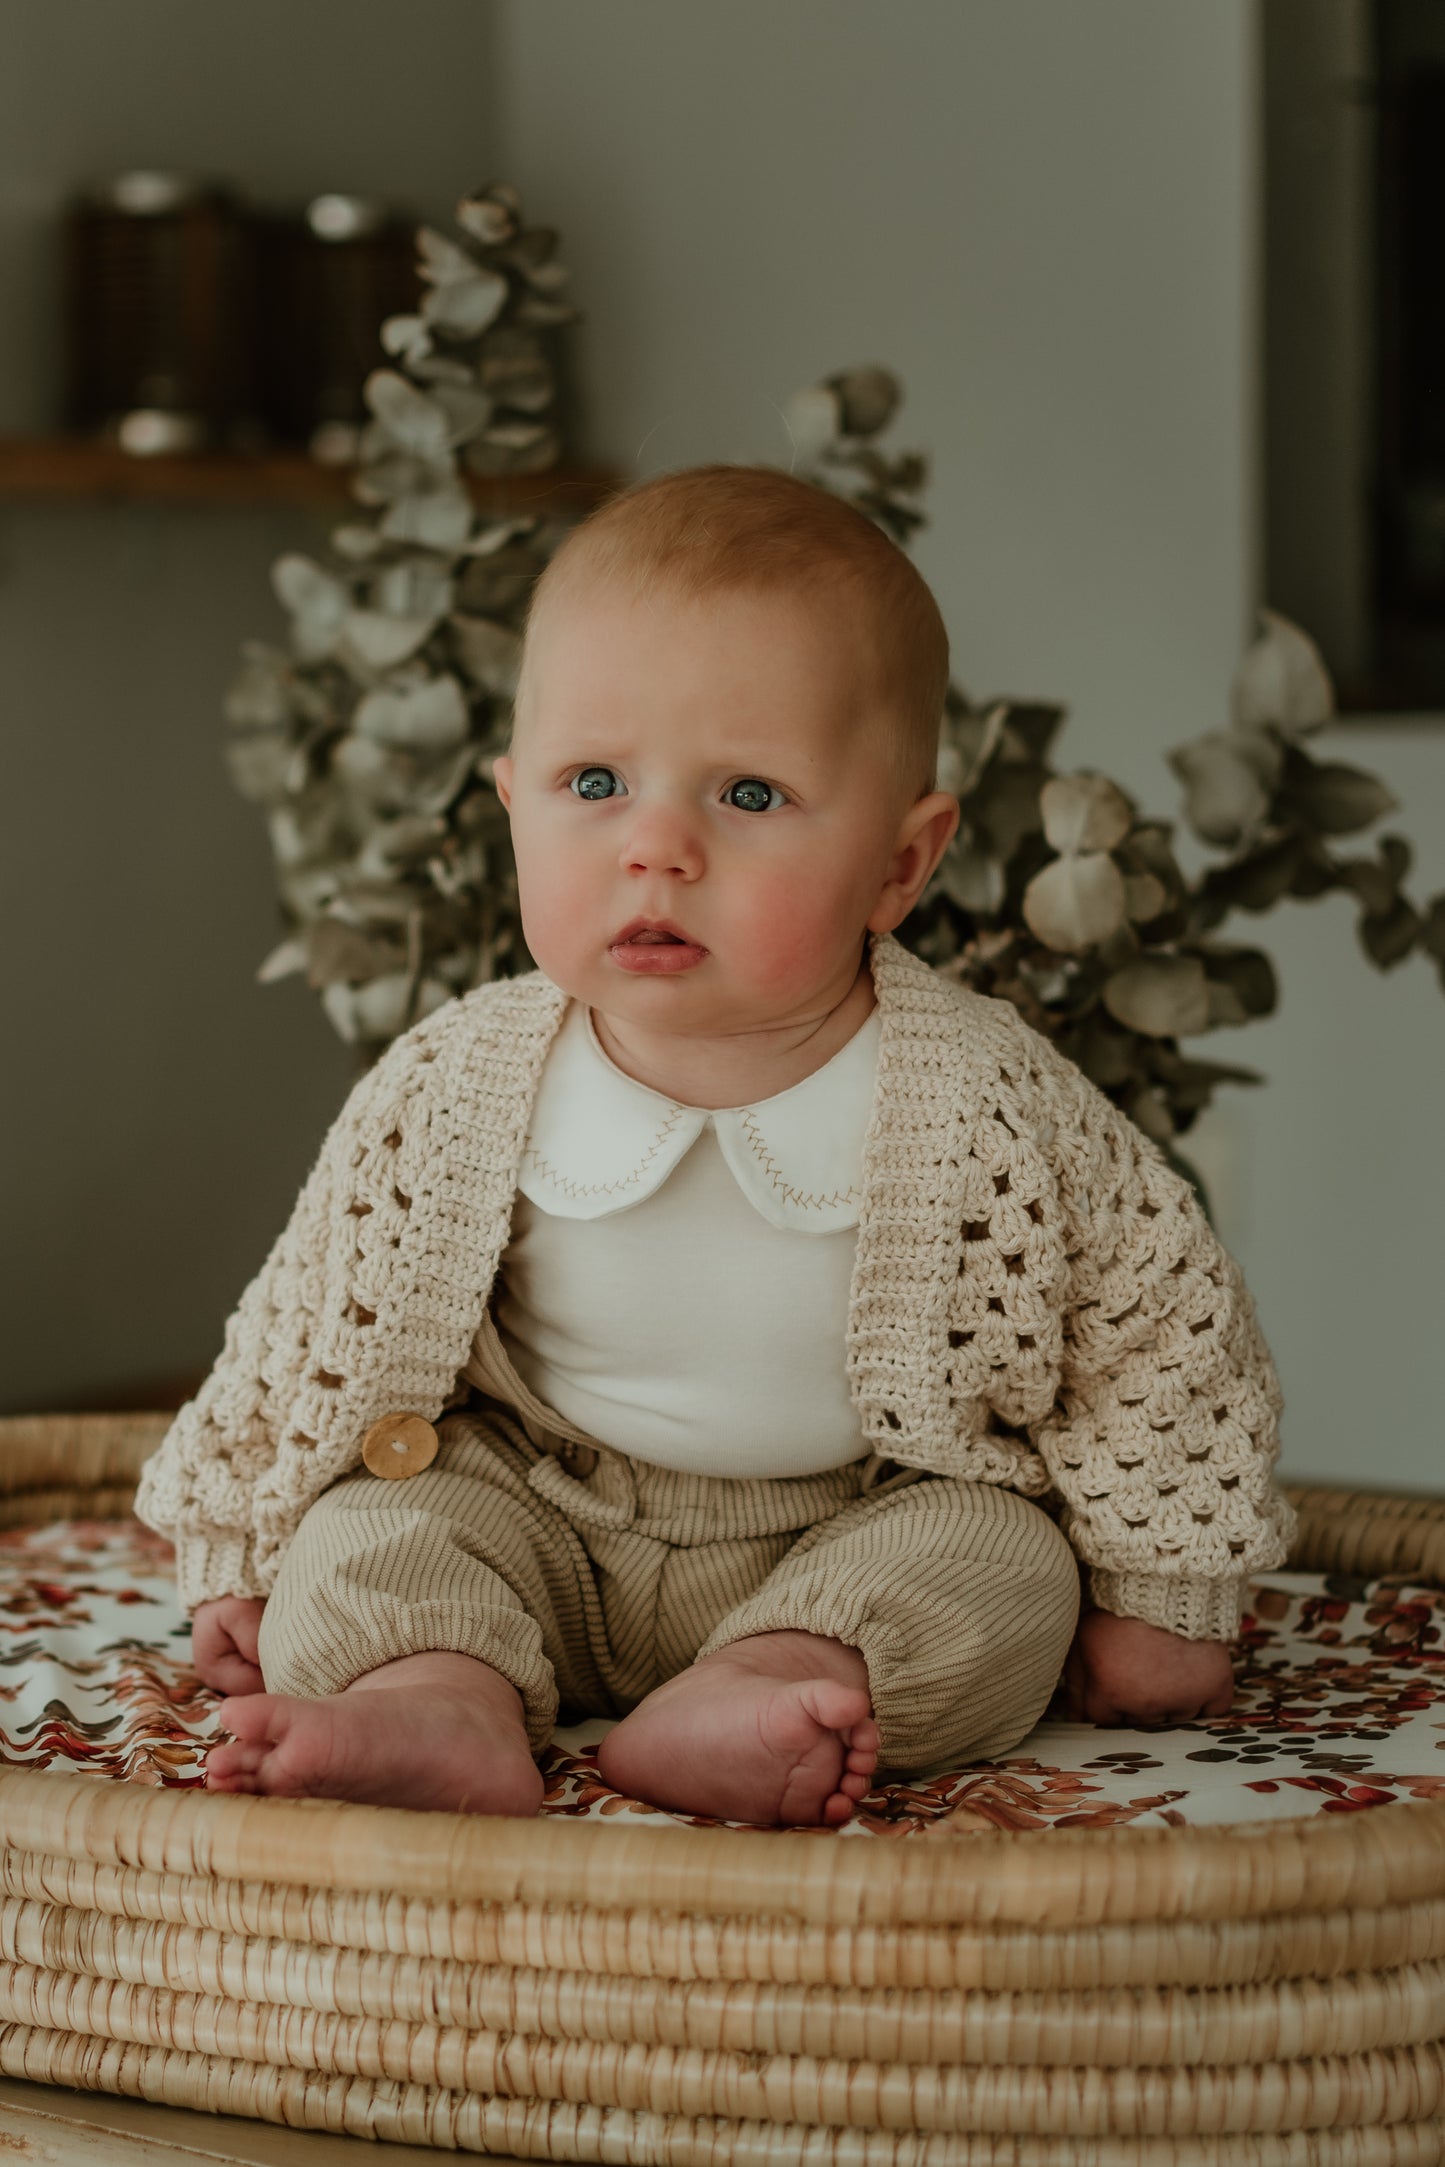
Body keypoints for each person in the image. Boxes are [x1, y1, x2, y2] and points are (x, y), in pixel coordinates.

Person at [135, 464, 1292, 1827]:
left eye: (747, 796)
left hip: (850, 1522)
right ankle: (436, 1697)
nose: (657, 848)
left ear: (900, 866)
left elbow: (1155, 1321)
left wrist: (1164, 1589)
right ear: (511, 802)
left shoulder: (987, 1100)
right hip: (532, 1511)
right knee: (368, 1541)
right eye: (595, 782)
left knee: (1001, 1565)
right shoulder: (456, 1080)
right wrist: (240, 1550)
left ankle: (766, 1685)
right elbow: (310, 1316)